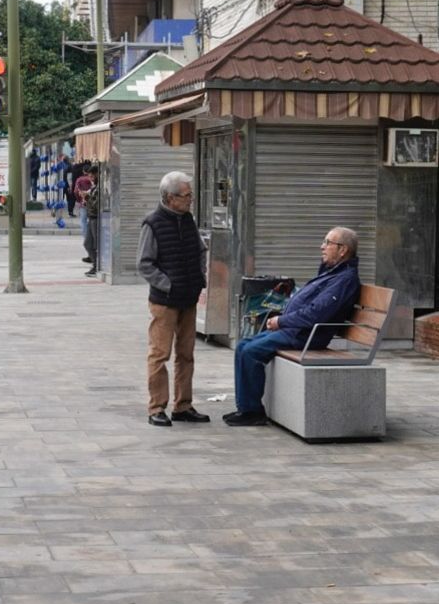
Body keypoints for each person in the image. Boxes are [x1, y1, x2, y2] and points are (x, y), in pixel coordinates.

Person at [226, 227, 363, 427]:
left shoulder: (344, 279)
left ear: (342, 250)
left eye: (327, 243)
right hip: (296, 330)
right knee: (243, 346)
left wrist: (282, 321)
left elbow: (317, 313)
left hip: (307, 335)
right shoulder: (332, 273)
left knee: (251, 351)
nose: (322, 247)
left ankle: (252, 411)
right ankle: (246, 408)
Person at [140, 171, 209, 428]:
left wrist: (199, 277)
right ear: (170, 198)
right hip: (165, 301)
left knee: (186, 353)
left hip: (189, 298)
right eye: (186, 195)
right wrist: (168, 286)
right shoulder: (153, 223)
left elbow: (201, 249)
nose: (191, 199)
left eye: (191, 194)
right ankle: (157, 407)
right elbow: (144, 264)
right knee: (159, 354)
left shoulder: (188, 219)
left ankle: (183, 405)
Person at [76, 164, 100, 274]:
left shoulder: (99, 188)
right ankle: (95, 263)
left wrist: (87, 198)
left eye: (92, 176)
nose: (90, 179)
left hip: (96, 219)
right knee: (88, 243)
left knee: (95, 244)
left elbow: (97, 204)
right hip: (92, 218)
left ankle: (97, 265)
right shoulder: (94, 188)